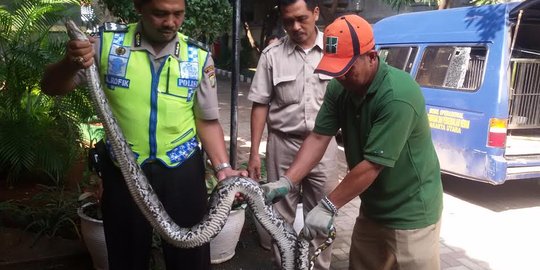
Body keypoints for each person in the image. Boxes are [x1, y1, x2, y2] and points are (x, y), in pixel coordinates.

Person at [41, 0, 246, 269]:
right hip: (123, 170)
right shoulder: (106, 46)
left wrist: (222, 169)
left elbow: (207, 121)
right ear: (139, 8)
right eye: (160, 13)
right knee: (126, 257)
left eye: (178, 14)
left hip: (181, 170)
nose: (170, 22)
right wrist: (70, 63)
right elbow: (51, 87)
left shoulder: (197, 56)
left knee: (191, 258)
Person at [262, 14, 443, 270]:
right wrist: (287, 181)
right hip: (372, 208)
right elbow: (318, 137)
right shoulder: (340, 87)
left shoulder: (398, 96)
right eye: (335, 70)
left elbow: (371, 165)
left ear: (371, 57)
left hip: (412, 213)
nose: (341, 77)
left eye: (347, 69)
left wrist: (328, 205)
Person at [247, 0, 338, 269]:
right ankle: (284, 265)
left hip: (324, 147)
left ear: (316, 13)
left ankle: (318, 266)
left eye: (301, 18)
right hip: (282, 145)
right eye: (288, 21)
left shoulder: (335, 50)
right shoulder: (272, 55)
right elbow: (260, 104)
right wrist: (254, 152)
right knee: (279, 215)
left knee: (323, 214)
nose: (295, 27)